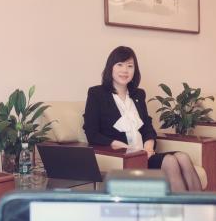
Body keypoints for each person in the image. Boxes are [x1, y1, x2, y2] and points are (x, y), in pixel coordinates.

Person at [83, 46, 202, 192]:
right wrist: (120, 146)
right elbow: (92, 133)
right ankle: (183, 206)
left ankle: (200, 204)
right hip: (123, 158)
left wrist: (148, 148)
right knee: (170, 161)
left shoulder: (138, 94)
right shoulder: (97, 94)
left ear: (135, 70)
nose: (125, 70)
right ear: (110, 67)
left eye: (130, 66)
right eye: (119, 64)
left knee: (183, 157)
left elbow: (147, 127)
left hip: (144, 154)